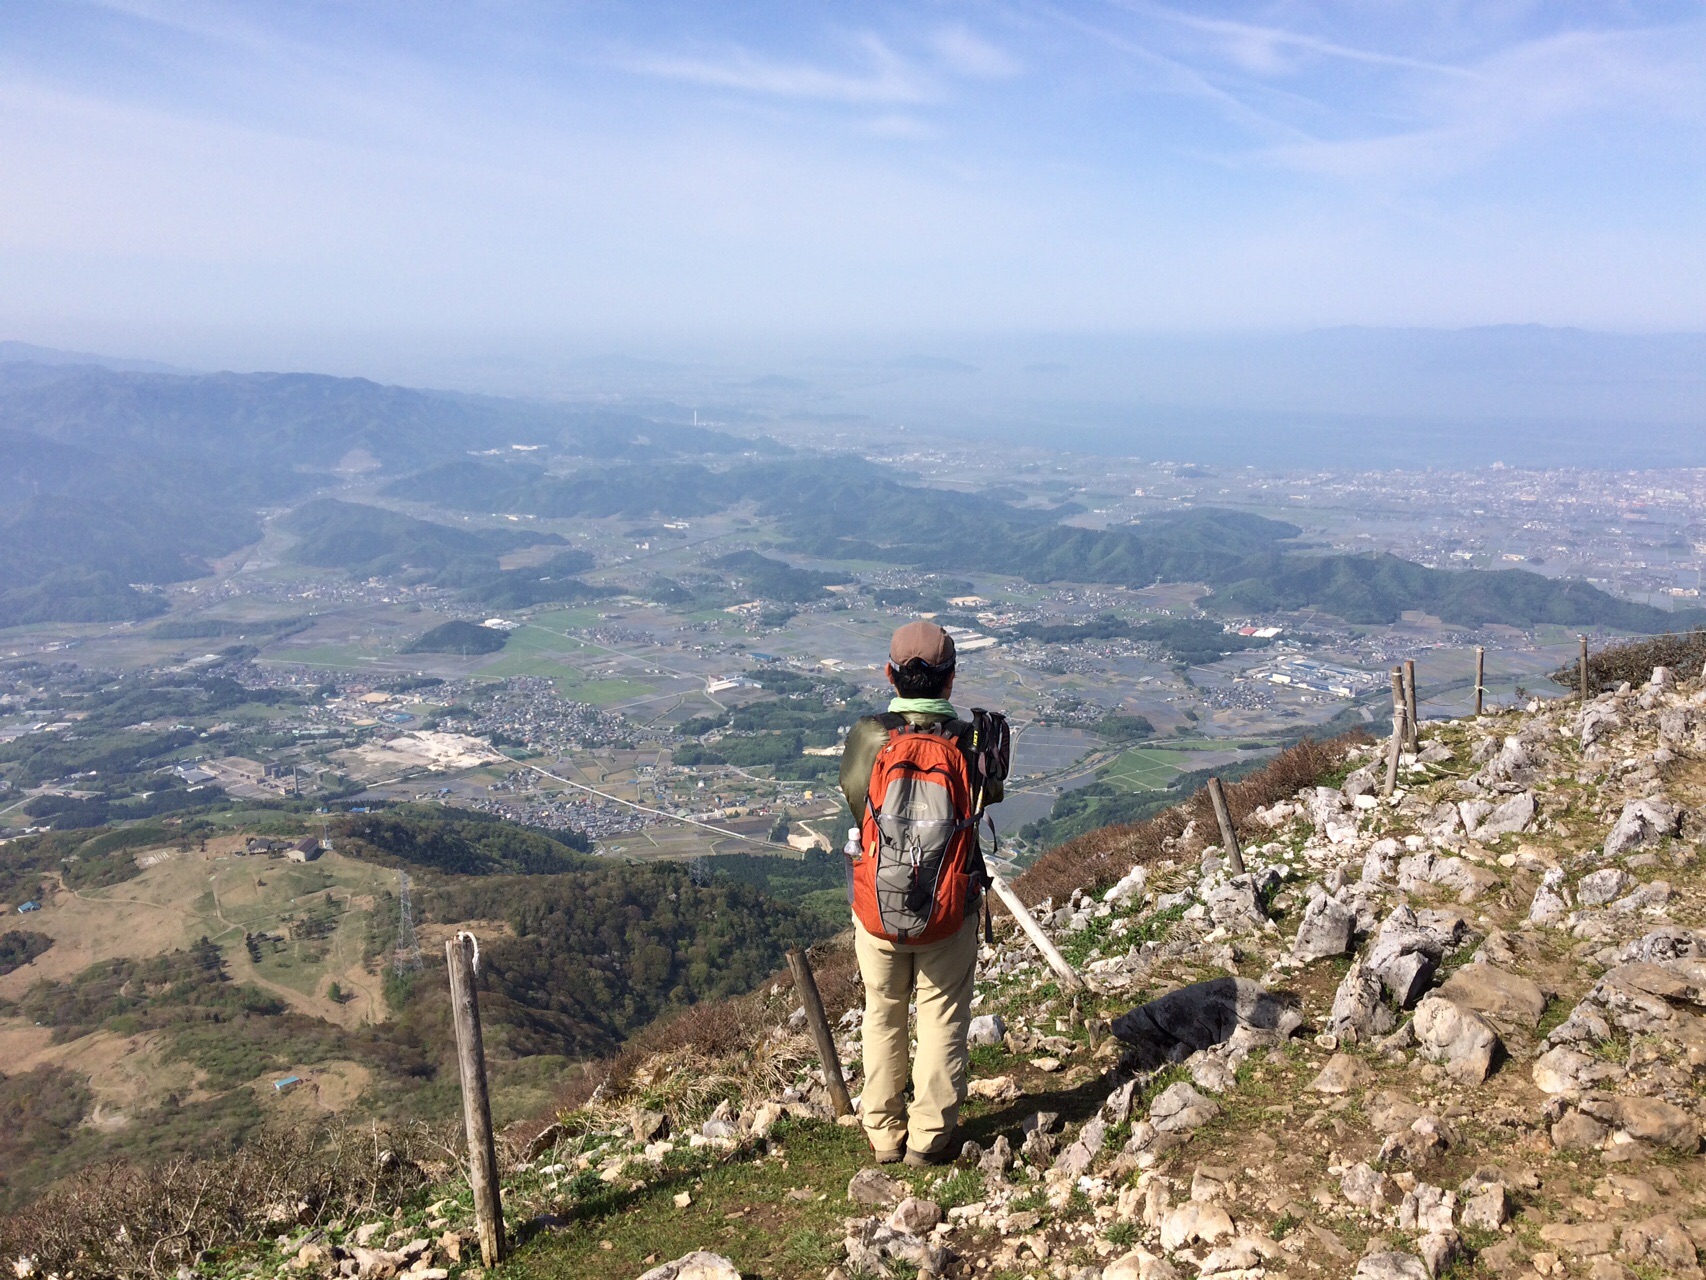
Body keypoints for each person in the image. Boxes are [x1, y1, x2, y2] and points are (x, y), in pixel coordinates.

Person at [839, 619, 1004, 1166]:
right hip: (949, 905)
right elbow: (989, 798)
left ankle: (883, 1134)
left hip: (877, 905)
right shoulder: (970, 741)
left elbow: (855, 801)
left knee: (882, 1011)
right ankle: (929, 1139)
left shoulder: (870, 736)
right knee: (941, 1014)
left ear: (890, 674)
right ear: (950, 680)